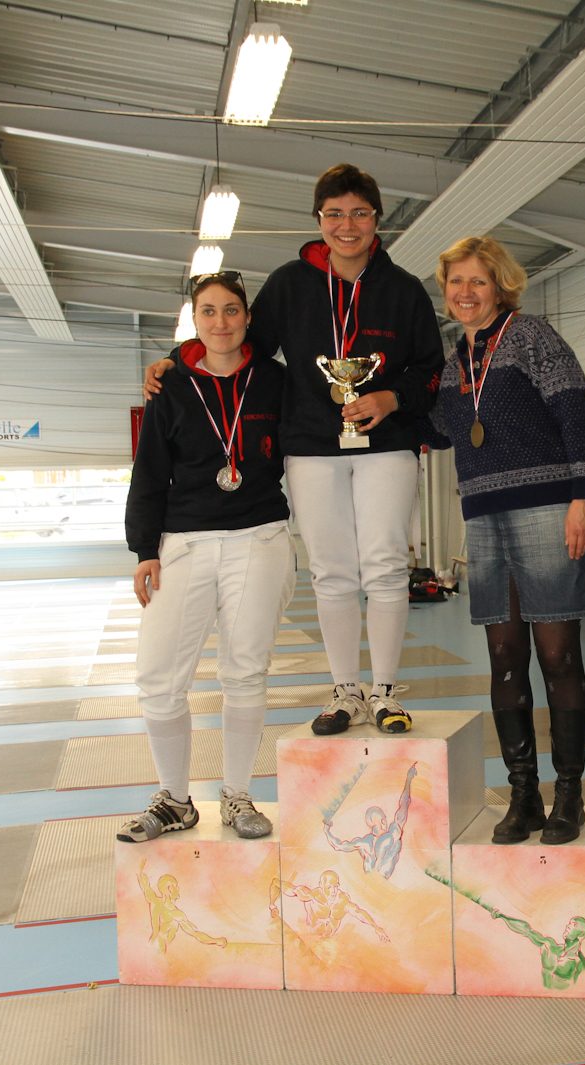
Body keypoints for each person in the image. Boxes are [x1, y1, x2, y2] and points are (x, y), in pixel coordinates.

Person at [144, 163, 444, 738]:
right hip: (309, 446)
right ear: (318, 219)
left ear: (377, 219)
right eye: (334, 214)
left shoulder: (404, 289)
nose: (347, 225)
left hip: (387, 445)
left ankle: (384, 692)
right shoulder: (289, 284)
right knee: (331, 571)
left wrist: (390, 398)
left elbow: (432, 370)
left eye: (359, 213)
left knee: (385, 565)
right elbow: (239, 339)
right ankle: (345, 691)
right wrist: (179, 358)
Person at [424, 236, 585, 845]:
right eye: (455, 282)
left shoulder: (532, 337)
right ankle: (523, 796)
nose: (465, 292)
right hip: (483, 517)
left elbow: (578, 412)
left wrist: (583, 496)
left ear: (500, 284)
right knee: (504, 658)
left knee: (559, 657)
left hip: (548, 509)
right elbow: (441, 432)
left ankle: (570, 796)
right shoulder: (454, 361)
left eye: (477, 280)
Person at [119, 272, 293, 844]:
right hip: (185, 541)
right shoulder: (169, 386)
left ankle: (237, 794)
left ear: (248, 318)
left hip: (259, 537)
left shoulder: (275, 380)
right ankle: (174, 800)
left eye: (232, 310)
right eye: (209, 312)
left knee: (245, 671)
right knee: (157, 677)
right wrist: (145, 549)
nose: (221, 321)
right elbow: (149, 471)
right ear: (194, 322)